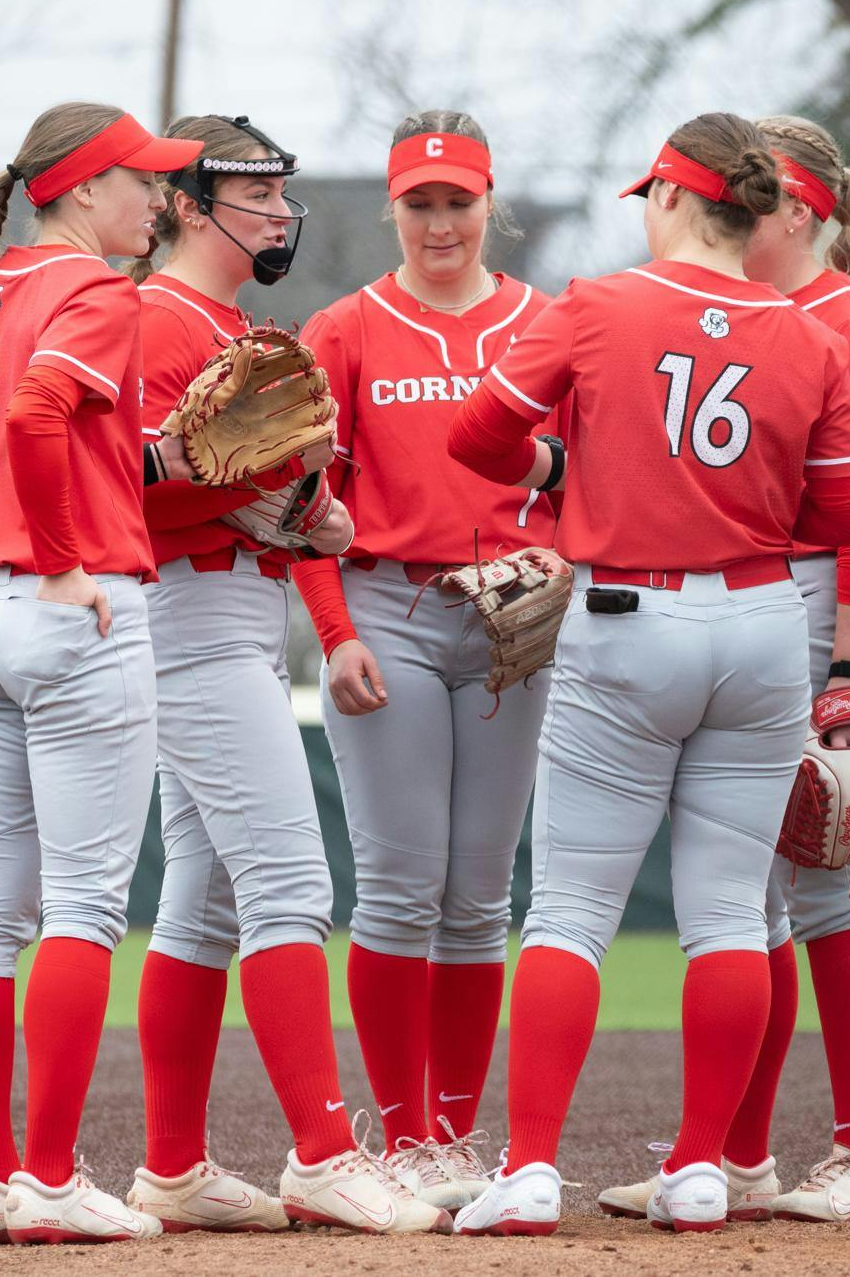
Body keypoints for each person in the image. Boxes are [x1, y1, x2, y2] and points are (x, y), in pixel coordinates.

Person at [442, 112, 850, 1238]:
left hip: (627, 618)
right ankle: (699, 1169)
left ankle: (529, 1169)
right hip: (763, 623)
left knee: (570, 911)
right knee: (730, 913)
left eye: (651, 194)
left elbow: (477, 440)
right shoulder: (812, 335)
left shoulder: (597, 305)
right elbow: (848, 513)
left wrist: (568, 466)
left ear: (676, 197)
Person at [593, 114, 850, 1228]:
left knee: (830, 888)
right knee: (754, 900)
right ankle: (734, 1156)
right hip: (751, 606)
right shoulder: (745, 314)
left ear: (799, 212)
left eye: (759, 192)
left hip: (824, 609)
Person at [125, 114, 450, 1236]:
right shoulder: (155, 316)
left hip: (233, 613)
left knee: (203, 900)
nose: (276, 213)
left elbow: (269, 495)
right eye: (251, 194)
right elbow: (127, 490)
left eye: (278, 193)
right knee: (290, 888)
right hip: (189, 612)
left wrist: (308, 507)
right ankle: (321, 1152)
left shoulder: (231, 325)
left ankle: (173, 1167)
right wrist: (277, 493)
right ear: (185, 205)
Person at [0, 102, 203, 1245]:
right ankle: (49, 1178)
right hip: (65, 612)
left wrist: (158, 458)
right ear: (84, 188)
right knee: (84, 907)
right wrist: (61, 560)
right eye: (143, 178)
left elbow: (49, 426)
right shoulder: (99, 289)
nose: (160, 199)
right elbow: (42, 410)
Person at [290, 110, 555, 1213]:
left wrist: (564, 556)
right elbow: (302, 503)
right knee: (401, 888)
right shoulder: (344, 329)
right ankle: (403, 1138)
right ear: (390, 207)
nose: (440, 223)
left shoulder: (543, 323)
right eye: (420, 203)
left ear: (490, 202)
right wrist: (335, 632)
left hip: (508, 619)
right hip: (386, 607)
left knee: (480, 893)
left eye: (458, 201)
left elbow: (585, 474)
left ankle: (452, 1132)